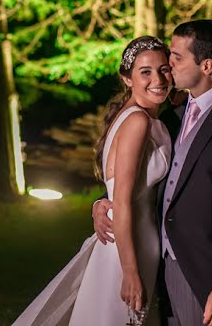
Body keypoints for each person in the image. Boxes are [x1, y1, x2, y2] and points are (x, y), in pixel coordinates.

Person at [93, 20, 212, 326]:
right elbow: (142, 176)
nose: (169, 65)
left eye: (176, 58)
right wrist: (103, 201)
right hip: (159, 267)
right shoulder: (172, 116)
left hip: (208, 275)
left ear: (206, 65)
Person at [12, 36, 173, 326]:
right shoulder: (136, 122)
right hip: (127, 249)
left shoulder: (139, 119)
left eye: (164, 69)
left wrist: (99, 203)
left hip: (136, 243)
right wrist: (130, 271)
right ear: (127, 79)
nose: (158, 79)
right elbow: (122, 200)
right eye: (145, 72)